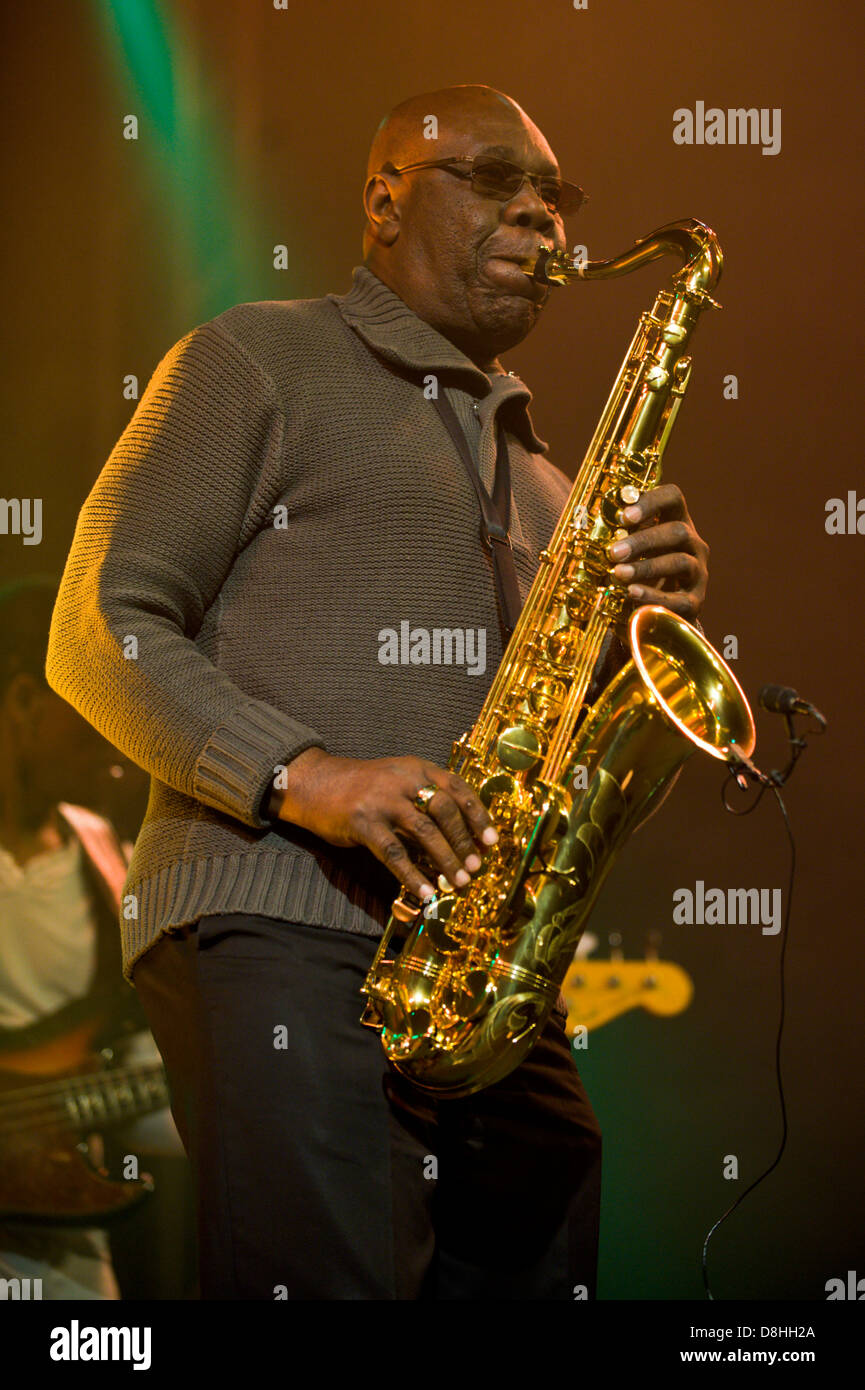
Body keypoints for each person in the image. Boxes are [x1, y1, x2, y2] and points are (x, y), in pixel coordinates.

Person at [45, 84, 710, 1299]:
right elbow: (97, 628)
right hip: (281, 925)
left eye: (555, 196)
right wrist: (310, 776)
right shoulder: (259, 354)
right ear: (383, 197)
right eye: (496, 181)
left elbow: (573, 785)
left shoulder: (557, 486)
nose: (541, 217)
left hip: (484, 984)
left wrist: (632, 642)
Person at [0, 577, 191, 1299]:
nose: (112, 756)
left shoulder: (100, 846)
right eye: (88, 723)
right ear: (22, 703)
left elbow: (129, 1054)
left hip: (61, 1249)